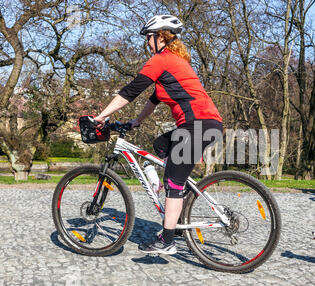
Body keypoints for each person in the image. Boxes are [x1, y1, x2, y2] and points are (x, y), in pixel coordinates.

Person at [94, 15, 223, 254]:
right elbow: (154, 98)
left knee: (173, 180)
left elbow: (131, 91)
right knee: (160, 144)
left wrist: (101, 116)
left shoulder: (161, 60)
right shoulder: (175, 62)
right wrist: (137, 121)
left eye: (148, 38)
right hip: (207, 124)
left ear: (160, 37)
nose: (147, 43)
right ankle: (178, 207)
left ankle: (167, 240)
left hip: (197, 126)